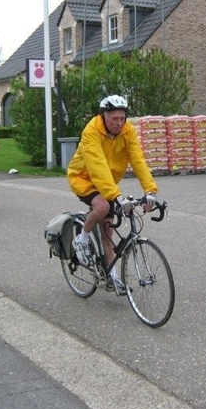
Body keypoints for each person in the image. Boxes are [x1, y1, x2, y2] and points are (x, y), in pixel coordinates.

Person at [67, 95, 158, 292]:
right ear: (103, 116)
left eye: (122, 118)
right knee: (102, 206)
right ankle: (82, 239)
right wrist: (116, 195)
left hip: (108, 184)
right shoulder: (92, 131)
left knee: (108, 232)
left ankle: (112, 276)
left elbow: (138, 159)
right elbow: (97, 165)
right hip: (83, 178)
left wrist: (150, 190)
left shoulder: (128, 132)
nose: (118, 123)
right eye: (114, 119)